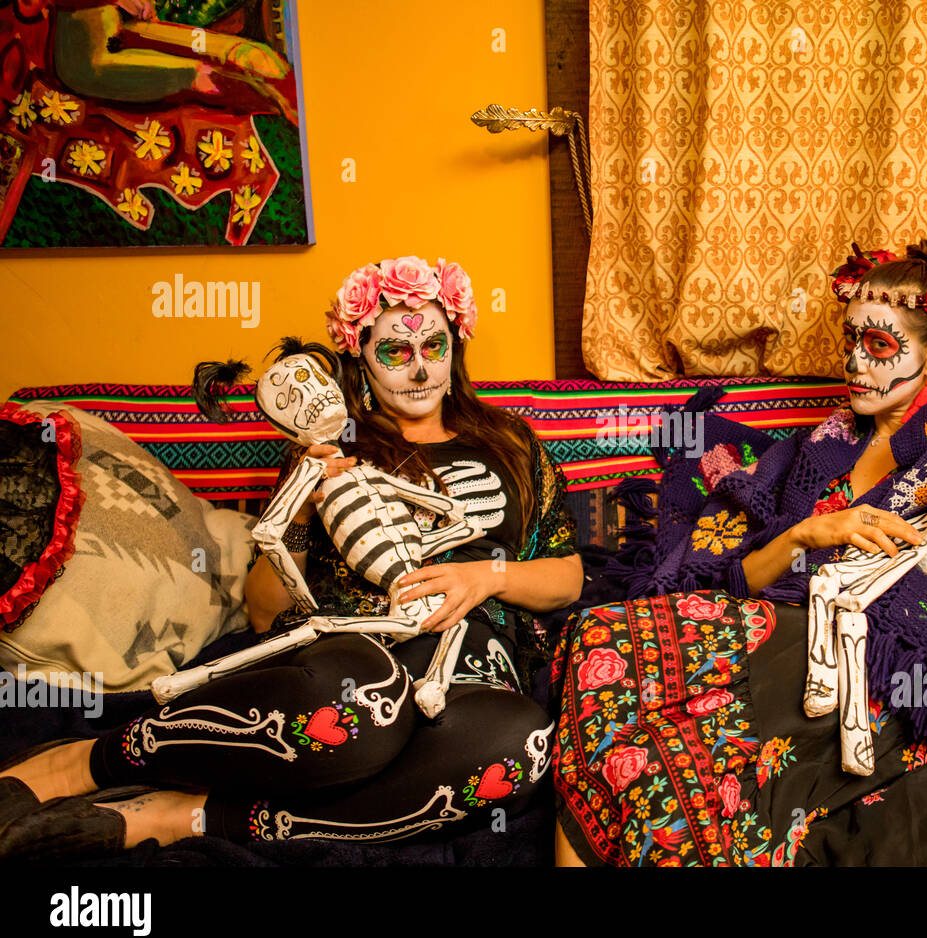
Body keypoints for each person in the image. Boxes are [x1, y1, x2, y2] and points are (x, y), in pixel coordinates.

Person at [551, 239, 927, 867]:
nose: (855, 362)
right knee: (601, 638)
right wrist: (803, 536)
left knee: (632, 673)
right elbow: (729, 581)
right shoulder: (820, 447)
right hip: (778, 637)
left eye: (878, 346)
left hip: (897, 682)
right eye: (850, 341)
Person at [0, 255, 582, 858]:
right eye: (394, 352)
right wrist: (305, 500)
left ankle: (197, 816)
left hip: (472, 668)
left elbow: (567, 577)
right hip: (360, 650)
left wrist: (484, 576)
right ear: (360, 356)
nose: (420, 368)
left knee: (522, 749)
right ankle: (87, 764)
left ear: (455, 346)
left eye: (434, 345)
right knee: (364, 708)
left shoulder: (512, 443)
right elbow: (262, 611)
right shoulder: (329, 448)